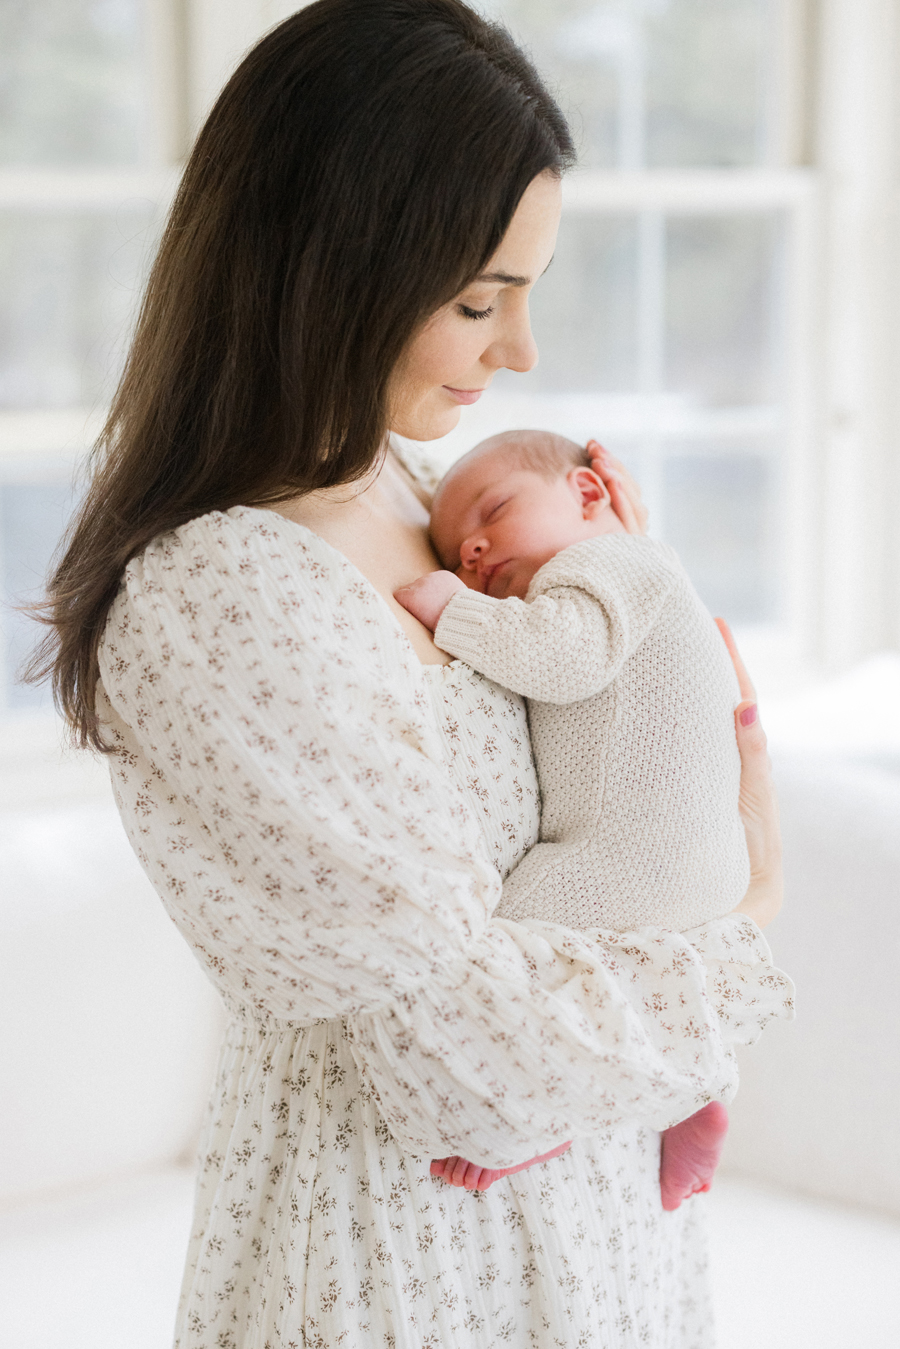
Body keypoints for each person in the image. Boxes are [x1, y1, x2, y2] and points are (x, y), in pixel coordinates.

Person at [29, 2, 792, 1344]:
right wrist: (745, 925)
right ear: (331, 271)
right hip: (417, 1257)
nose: (522, 354)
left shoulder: (409, 485)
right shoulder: (226, 594)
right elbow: (464, 1067)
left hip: (599, 1222)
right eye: (478, 299)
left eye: (529, 290)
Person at [395, 427, 751, 1206]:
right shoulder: (633, 572)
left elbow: (563, 657)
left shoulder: (609, 562)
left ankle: (533, 1118)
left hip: (627, 858)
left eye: (494, 510)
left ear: (589, 493)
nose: (475, 549)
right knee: (619, 991)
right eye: (458, 553)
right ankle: (684, 1099)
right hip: (696, 863)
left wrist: (455, 609)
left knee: (500, 962)